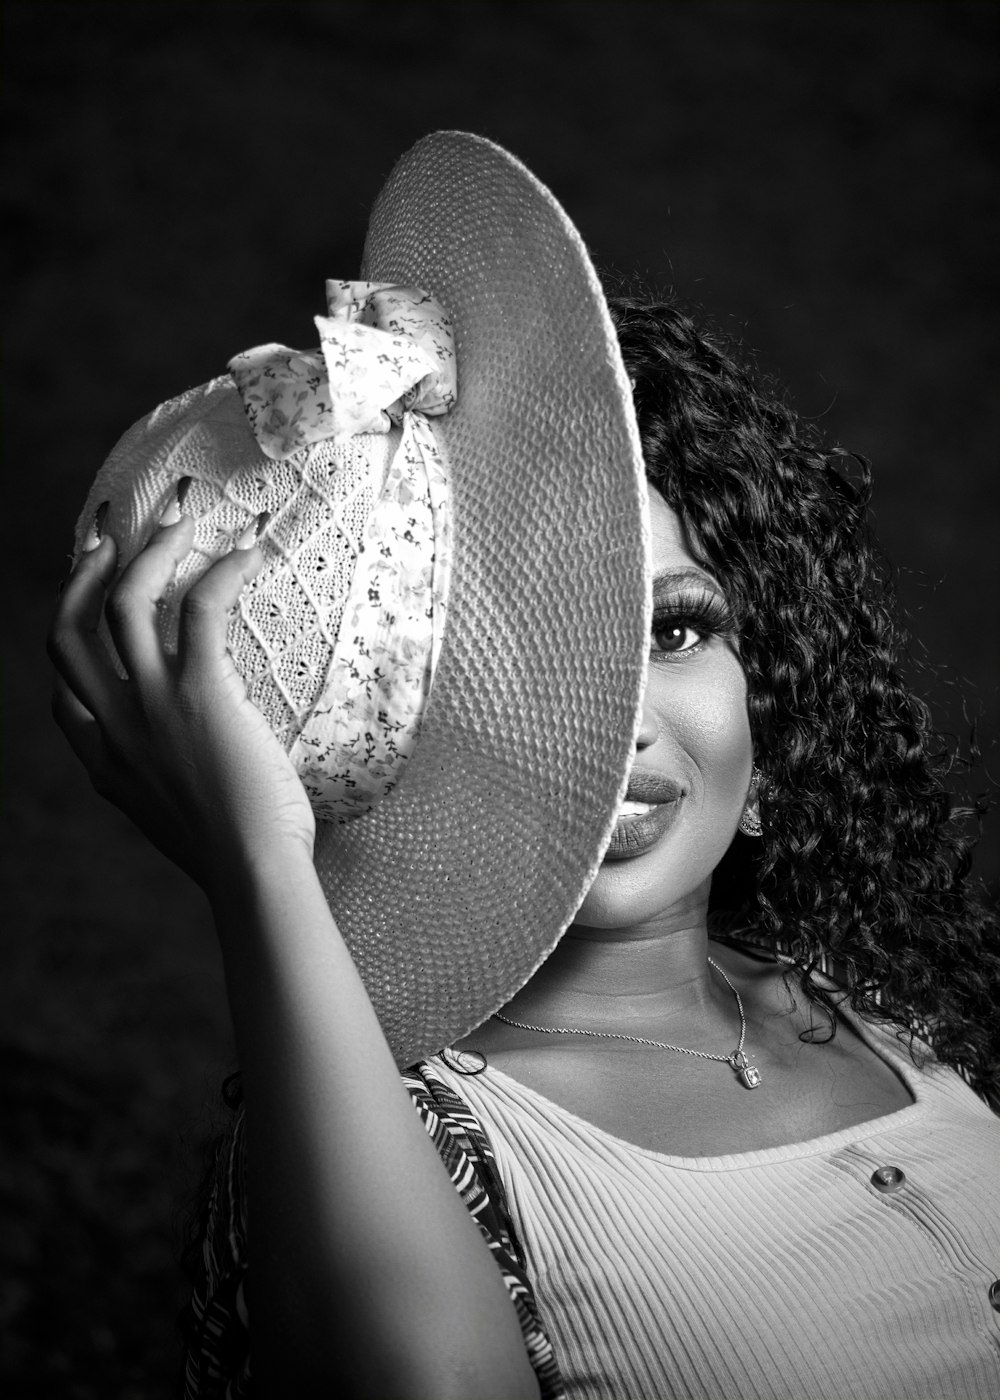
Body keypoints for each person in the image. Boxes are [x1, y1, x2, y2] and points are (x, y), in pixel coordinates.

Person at [48, 133, 999, 1400]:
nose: (621, 719)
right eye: (534, 655)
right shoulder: (419, 1141)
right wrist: (258, 865)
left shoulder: (898, 1012)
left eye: (674, 629)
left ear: (772, 701)